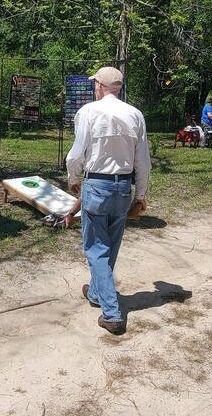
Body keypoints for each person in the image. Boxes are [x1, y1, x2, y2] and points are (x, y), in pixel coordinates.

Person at [63, 66, 152, 335]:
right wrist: (141, 195)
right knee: (109, 246)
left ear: (100, 85)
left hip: (97, 185)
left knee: (96, 248)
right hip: (124, 186)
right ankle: (96, 292)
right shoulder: (135, 114)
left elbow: (76, 153)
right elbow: (143, 161)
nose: (94, 87)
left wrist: (73, 177)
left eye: (95, 84)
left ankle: (111, 313)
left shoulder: (88, 112)